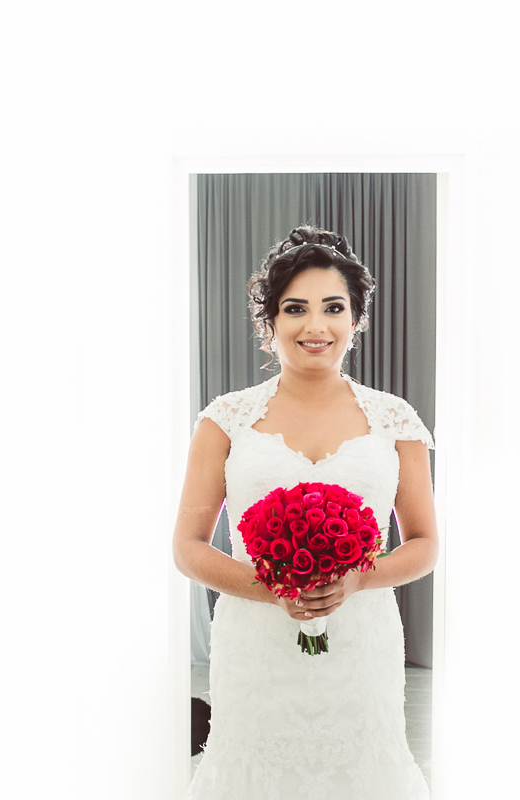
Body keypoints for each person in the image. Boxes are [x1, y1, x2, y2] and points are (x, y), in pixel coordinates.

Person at [173, 224, 437, 799]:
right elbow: (188, 547)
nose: (315, 325)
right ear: (269, 322)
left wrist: (359, 577)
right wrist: (272, 589)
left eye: (333, 308)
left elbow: (424, 543)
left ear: (355, 320)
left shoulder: (394, 418)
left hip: (361, 644)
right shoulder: (226, 419)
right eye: (295, 308)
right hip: (256, 647)